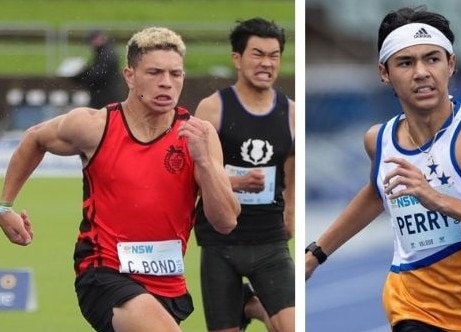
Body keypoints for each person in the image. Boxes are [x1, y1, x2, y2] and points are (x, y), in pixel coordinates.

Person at [305, 6, 461, 332]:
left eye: (432, 59)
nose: (421, 72)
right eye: (405, 62)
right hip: (413, 306)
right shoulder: (379, 139)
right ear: (384, 72)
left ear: (451, 64)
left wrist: (438, 200)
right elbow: (377, 192)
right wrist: (316, 253)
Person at [0, 26, 240, 332]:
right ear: (129, 76)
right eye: (154, 72)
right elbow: (35, 139)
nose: (166, 83)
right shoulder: (93, 126)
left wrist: (205, 162)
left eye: (175, 74)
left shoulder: (199, 136)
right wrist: (5, 207)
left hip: (168, 284)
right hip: (104, 273)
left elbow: (226, 221)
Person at [193, 17, 295, 332]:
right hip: (221, 240)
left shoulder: (291, 112)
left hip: (269, 239)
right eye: (257, 54)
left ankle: (252, 303)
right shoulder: (212, 109)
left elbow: (291, 173)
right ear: (237, 59)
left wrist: (291, 215)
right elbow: (197, 176)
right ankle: (248, 303)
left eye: (273, 55)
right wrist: (236, 182)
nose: (266, 63)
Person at [71, 29, 126, 108]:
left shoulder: (106, 53)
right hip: (107, 95)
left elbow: (98, 74)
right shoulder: (105, 52)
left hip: (106, 97)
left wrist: (82, 78)